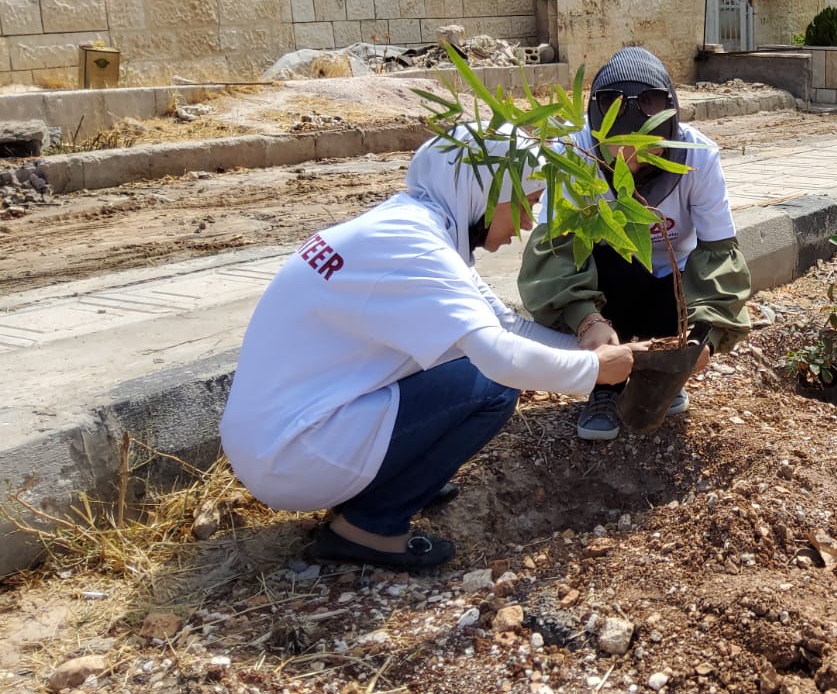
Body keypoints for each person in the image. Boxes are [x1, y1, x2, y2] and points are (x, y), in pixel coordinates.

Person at [220, 129, 637, 571]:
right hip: (295, 457)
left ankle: (397, 473)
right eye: (524, 203)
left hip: (278, 436)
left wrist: (594, 341)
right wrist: (591, 372)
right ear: (484, 190)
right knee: (492, 383)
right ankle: (370, 525)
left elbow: (505, 324)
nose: (527, 223)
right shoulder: (415, 250)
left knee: (462, 353)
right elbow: (499, 357)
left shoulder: (408, 225)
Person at [519, 47, 752, 441]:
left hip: (669, 284)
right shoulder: (572, 154)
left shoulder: (700, 157)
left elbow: (718, 252)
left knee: (671, 287)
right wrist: (586, 319)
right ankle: (604, 390)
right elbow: (555, 251)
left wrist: (703, 337)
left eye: (645, 147)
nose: (630, 159)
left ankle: (659, 382)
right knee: (617, 266)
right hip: (606, 283)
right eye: (618, 146)